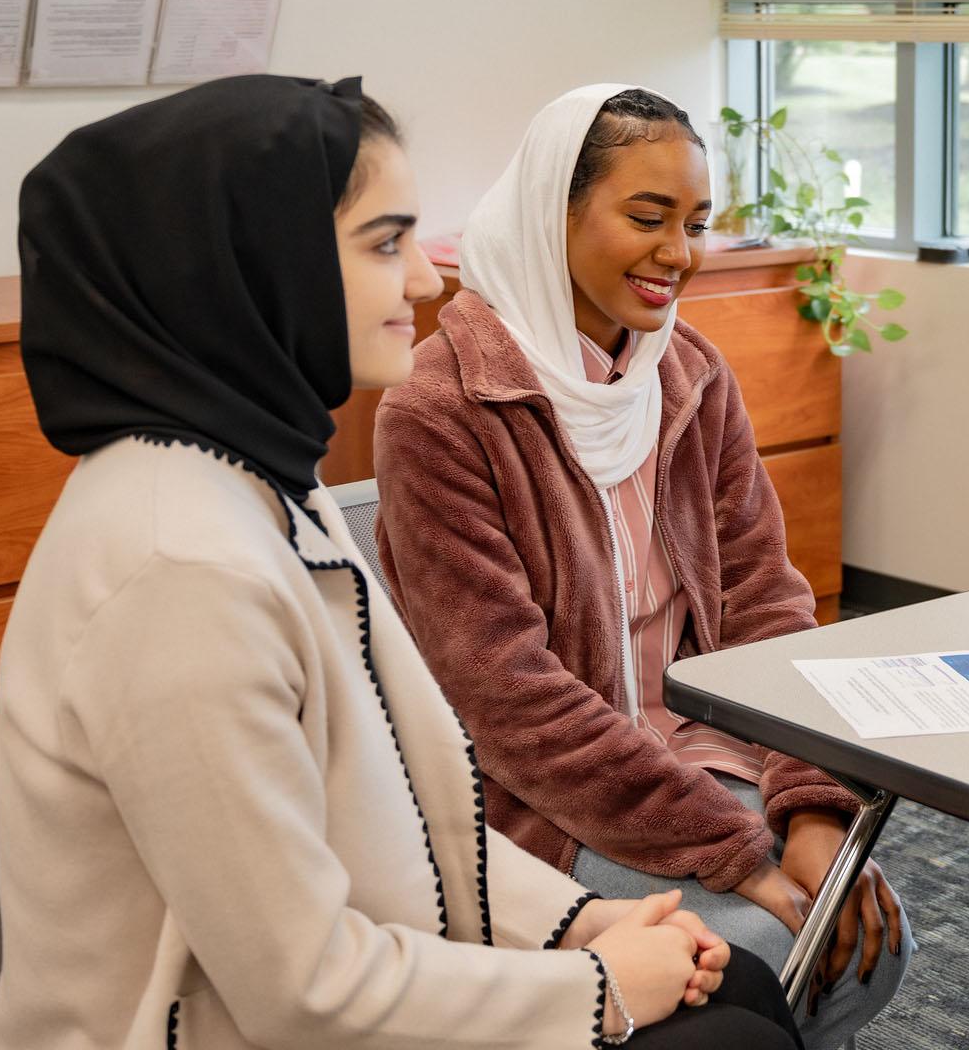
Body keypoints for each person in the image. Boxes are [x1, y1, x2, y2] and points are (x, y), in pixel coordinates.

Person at [0, 74, 802, 1050]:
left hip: (358, 965)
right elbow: (303, 996)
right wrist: (593, 987)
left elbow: (408, 811)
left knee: (740, 995)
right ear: (254, 266)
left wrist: (577, 925)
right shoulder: (178, 567)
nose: (424, 280)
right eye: (386, 242)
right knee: (733, 1031)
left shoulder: (255, 480)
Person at [372, 85, 907, 1048]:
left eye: (696, 223)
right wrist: (739, 853)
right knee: (753, 957)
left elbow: (765, 607)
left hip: (704, 753)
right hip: (543, 804)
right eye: (647, 217)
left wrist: (813, 804)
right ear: (556, 216)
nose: (680, 253)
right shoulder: (440, 411)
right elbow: (513, 704)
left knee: (866, 934)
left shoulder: (689, 372)